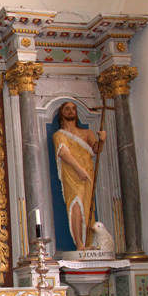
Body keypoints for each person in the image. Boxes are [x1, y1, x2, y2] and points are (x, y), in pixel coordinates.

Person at [53, 101, 106, 250]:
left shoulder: (87, 133)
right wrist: (78, 169)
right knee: (75, 204)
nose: (71, 111)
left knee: (88, 206)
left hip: (88, 172)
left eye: (74, 109)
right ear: (61, 113)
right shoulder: (59, 135)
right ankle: (79, 243)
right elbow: (63, 153)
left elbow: (96, 149)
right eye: (67, 109)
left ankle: (89, 242)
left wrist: (101, 139)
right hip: (72, 172)